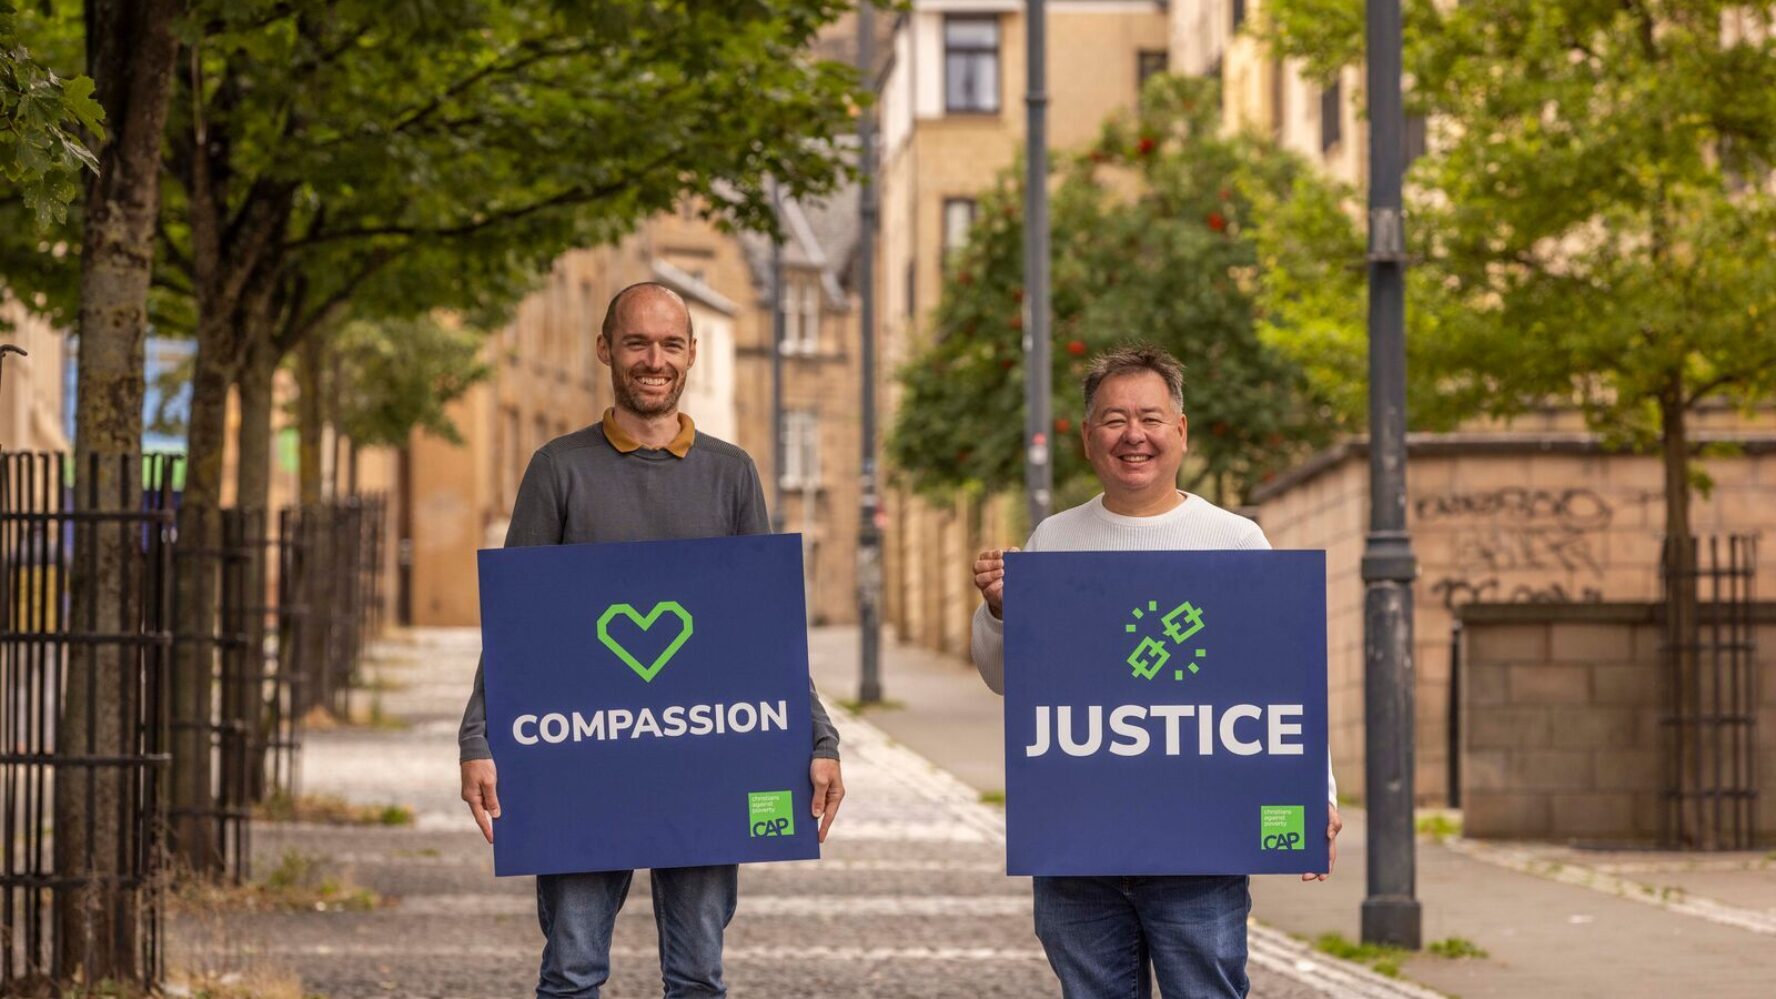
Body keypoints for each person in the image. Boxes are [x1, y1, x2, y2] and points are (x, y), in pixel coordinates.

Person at [457, 282, 846, 999]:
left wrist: (818, 739)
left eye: (670, 344)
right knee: (572, 970)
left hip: (705, 756)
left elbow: (763, 631)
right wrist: (477, 738)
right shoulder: (557, 468)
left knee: (698, 973)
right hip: (577, 755)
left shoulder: (731, 473)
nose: (653, 359)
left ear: (692, 353)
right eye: (637, 342)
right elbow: (519, 622)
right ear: (606, 349)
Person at [970, 343, 1340, 999]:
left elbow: (1279, 682)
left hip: (1201, 845)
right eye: (1114, 420)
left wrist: (1319, 790)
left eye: (1149, 417)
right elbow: (1007, 680)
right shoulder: (1053, 542)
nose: (1133, 435)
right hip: (1079, 844)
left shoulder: (1236, 541)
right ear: (1088, 438)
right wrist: (1001, 609)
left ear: (1180, 431)